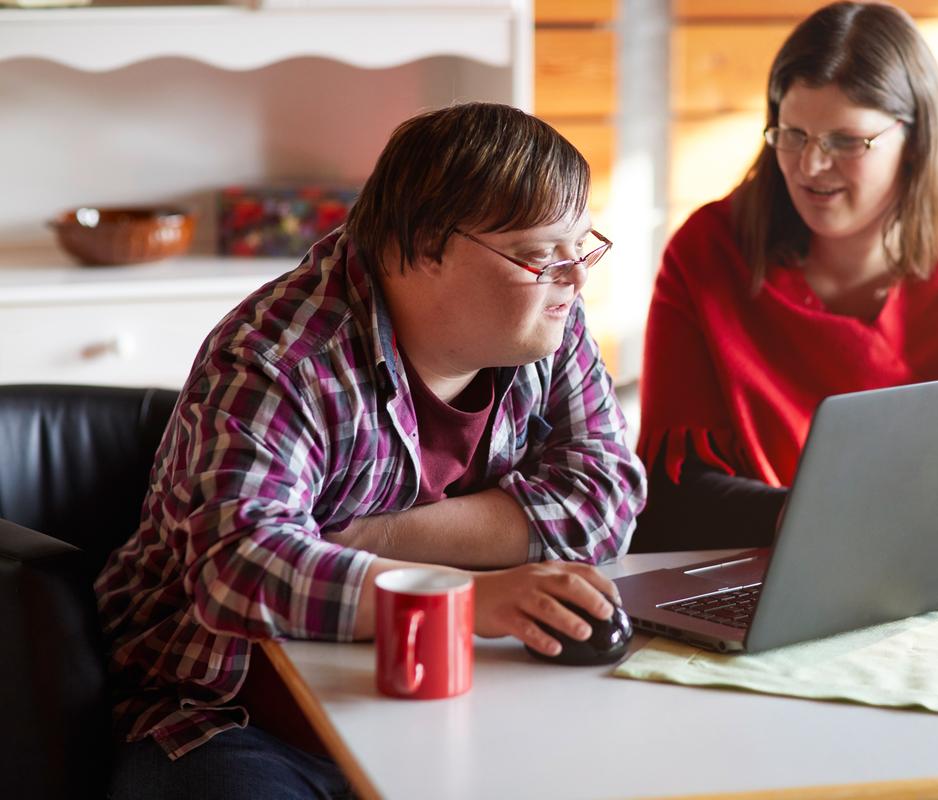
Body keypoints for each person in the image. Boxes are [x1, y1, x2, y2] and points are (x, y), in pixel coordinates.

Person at [96, 102, 647, 799]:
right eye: (540, 254)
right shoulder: (279, 358)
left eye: (579, 247)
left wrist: (376, 538)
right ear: (418, 249)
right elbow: (237, 566)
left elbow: (606, 502)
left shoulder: (541, 320)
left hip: (456, 690)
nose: (574, 277)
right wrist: (462, 597)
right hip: (230, 712)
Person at [633, 0, 938, 553]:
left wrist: (897, 524)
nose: (810, 166)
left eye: (845, 141)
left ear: (915, 142)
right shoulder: (708, 255)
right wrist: (818, 522)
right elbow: (667, 496)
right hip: (762, 568)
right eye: (793, 134)